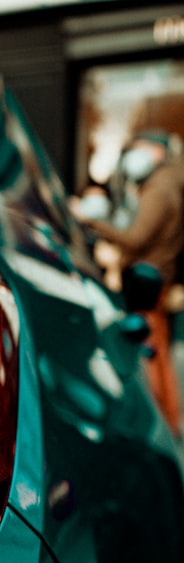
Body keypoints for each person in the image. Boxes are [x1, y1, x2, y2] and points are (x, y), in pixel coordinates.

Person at [79, 132, 184, 437]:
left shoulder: (160, 189)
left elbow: (137, 238)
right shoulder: (164, 184)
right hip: (153, 275)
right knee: (157, 348)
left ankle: (164, 424)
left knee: (151, 351)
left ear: (156, 152)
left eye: (138, 150)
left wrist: (90, 221)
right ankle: (170, 420)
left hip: (146, 278)